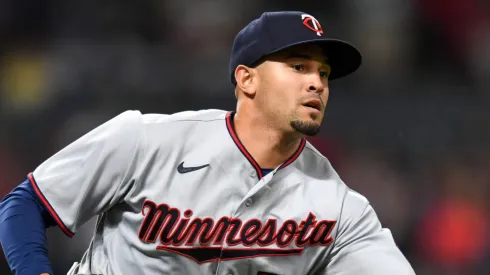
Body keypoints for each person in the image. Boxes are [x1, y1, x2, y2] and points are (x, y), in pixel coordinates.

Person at [0, 11, 415, 275]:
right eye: (298, 66)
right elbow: (24, 205)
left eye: (324, 73)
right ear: (246, 79)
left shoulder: (339, 207)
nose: (316, 83)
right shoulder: (147, 140)